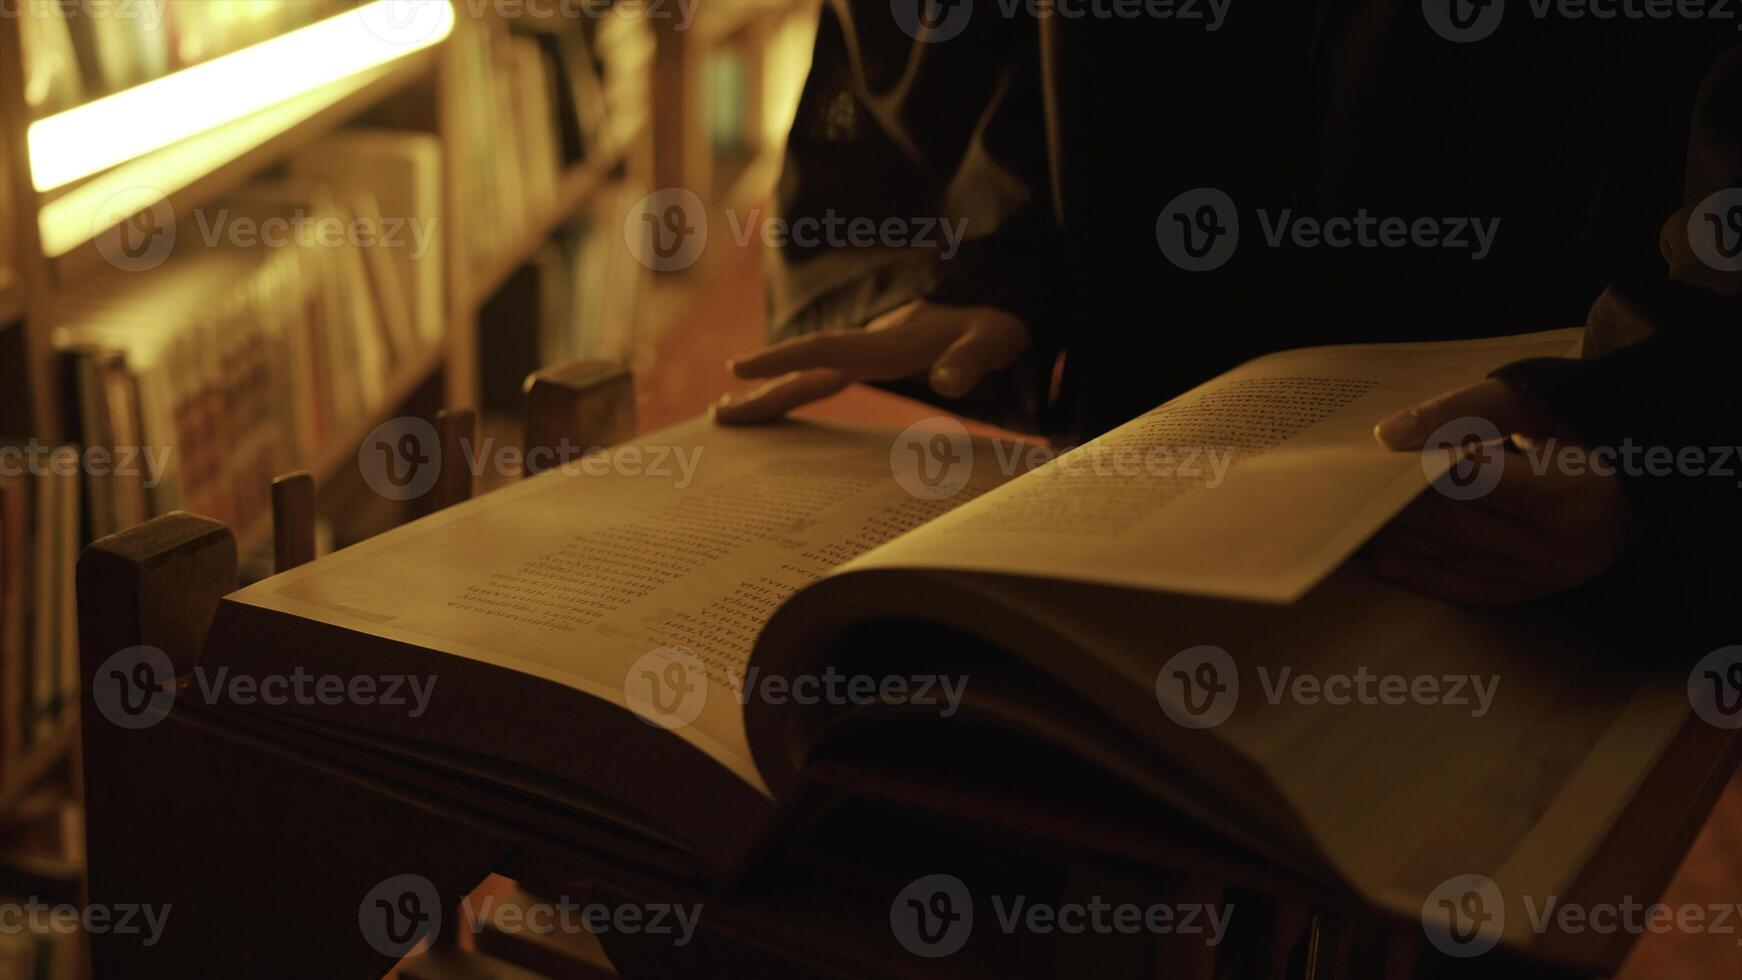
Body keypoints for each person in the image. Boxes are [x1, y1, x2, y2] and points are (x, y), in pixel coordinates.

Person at [714, 1, 1742, 632]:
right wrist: (1014, 259)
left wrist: (1660, 416)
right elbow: (1063, 78)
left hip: (1514, 484)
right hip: (1160, 445)